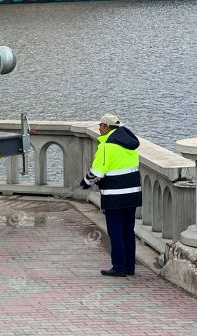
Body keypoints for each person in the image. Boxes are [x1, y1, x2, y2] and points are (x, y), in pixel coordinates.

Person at [80, 113, 142, 277]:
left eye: (100, 126)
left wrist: (85, 182)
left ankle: (119, 267)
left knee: (116, 233)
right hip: (133, 195)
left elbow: (98, 171)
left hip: (115, 196)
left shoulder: (107, 146)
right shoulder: (130, 145)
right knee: (128, 231)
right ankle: (130, 266)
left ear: (107, 127)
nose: (99, 129)